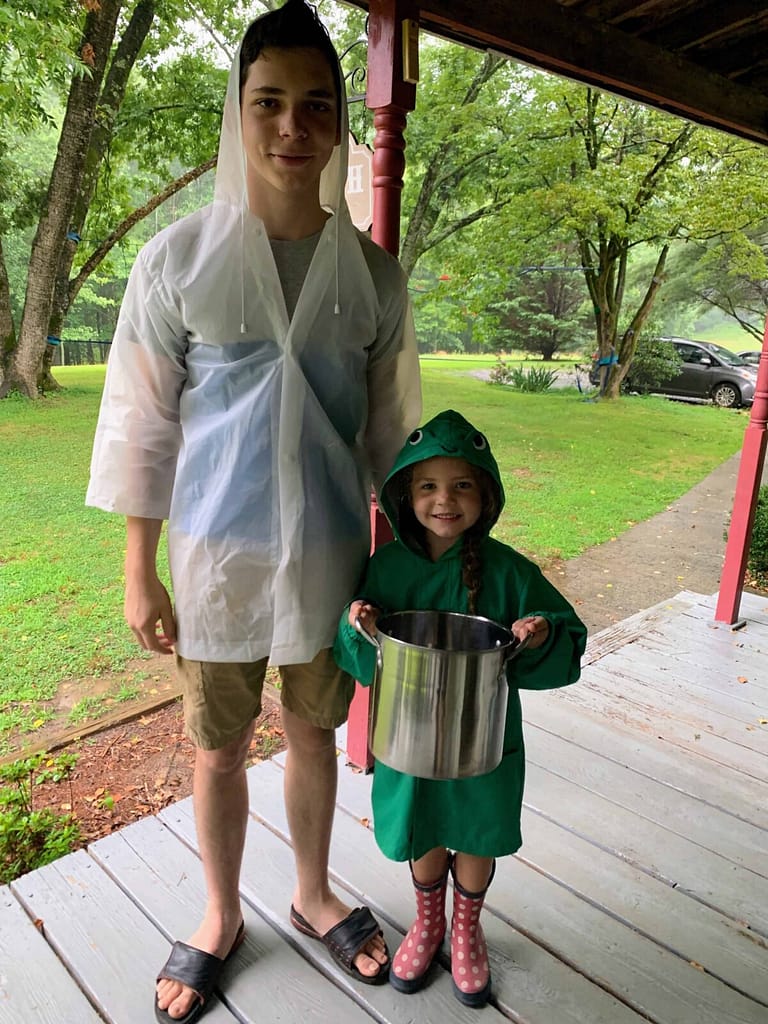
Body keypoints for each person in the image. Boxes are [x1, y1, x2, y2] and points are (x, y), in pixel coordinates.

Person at [86, 2, 421, 1020]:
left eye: (315, 106)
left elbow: (390, 437)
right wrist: (141, 567)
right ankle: (220, 911)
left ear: (336, 125)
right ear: (238, 114)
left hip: (330, 559)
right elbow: (141, 424)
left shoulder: (368, 276)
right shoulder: (179, 261)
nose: (292, 128)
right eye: (269, 103)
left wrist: (412, 557)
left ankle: (314, 890)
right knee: (217, 743)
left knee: (315, 731)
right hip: (217, 559)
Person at [334, 409, 586, 1007]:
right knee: (424, 827)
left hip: (484, 740)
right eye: (427, 486)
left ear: (487, 495)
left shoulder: (510, 571)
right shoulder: (388, 567)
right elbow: (358, 649)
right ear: (405, 494)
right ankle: (427, 922)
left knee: (475, 830)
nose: (444, 500)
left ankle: (466, 930)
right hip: (409, 737)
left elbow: (567, 635)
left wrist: (541, 631)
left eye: (461, 485)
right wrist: (358, 624)